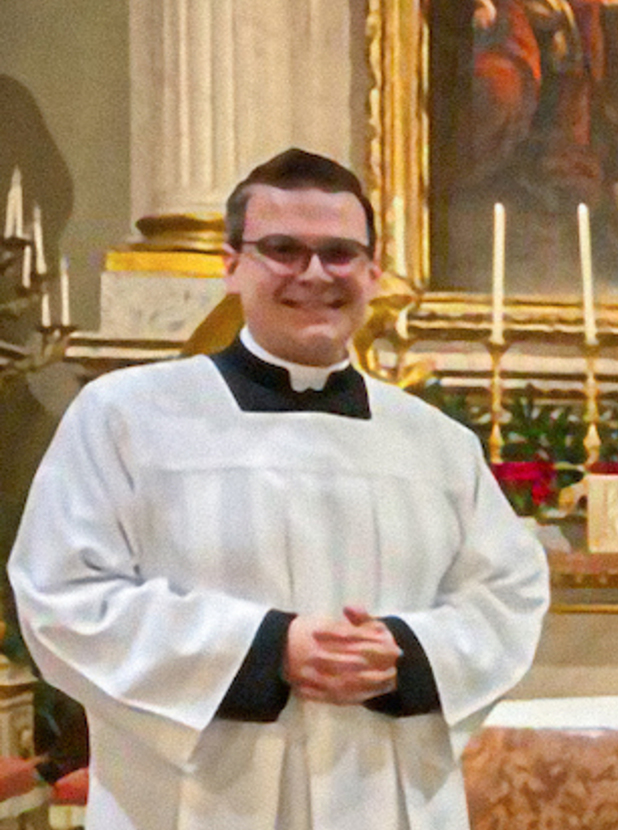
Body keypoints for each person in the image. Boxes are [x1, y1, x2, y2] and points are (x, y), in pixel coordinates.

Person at [8, 148, 550, 830]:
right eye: (283, 250)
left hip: (382, 798)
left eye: (339, 253)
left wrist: (408, 655)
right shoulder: (126, 416)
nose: (314, 274)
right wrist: (267, 651)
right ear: (232, 265)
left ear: (373, 272)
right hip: (191, 805)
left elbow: (508, 597)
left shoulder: (437, 443)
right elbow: (63, 596)